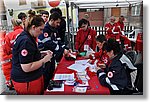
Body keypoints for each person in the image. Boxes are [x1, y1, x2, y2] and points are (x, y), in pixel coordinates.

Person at [11, 15, 53, 95]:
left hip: (30, 79)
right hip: (27, 81)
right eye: (40, 29)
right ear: (33, 27)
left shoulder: (27, 36)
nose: (42, 32)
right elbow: (27, 67)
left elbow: (29, 55)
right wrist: (44, 60)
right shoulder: (26, 41)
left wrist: (42, 53)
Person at [1, 18, 23, 89]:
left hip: (13, 59)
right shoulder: (25, 32)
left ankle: (12, 84)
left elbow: (6, 50)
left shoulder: (9, 35)